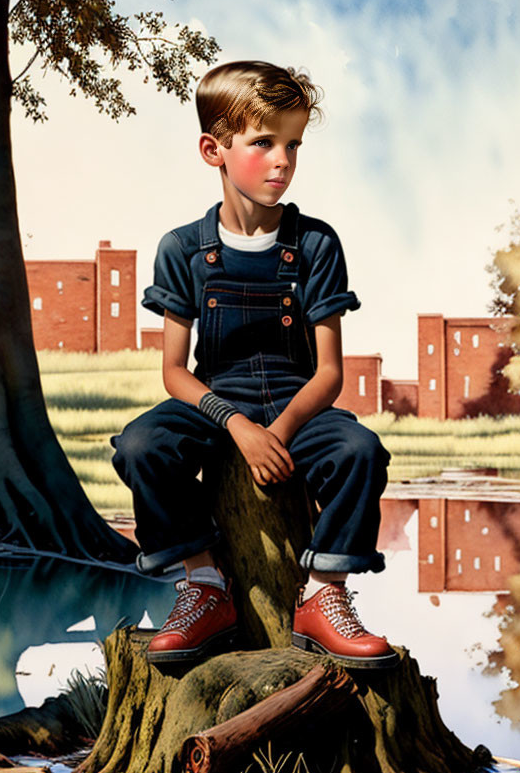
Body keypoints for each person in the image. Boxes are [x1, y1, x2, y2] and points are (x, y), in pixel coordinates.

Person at [112, 60, 396, 669]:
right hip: (217, 404)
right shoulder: (183, 249)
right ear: (213, 149)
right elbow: (174, 373)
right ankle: (204, 586)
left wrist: (281, 433)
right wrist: (238, 426)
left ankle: (323, 598)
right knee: (140, 446)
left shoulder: (316, 244)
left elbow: (329, 374)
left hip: (298, 399)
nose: (282, 161)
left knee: (360, 452)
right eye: (263, 142)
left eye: (293, 144)